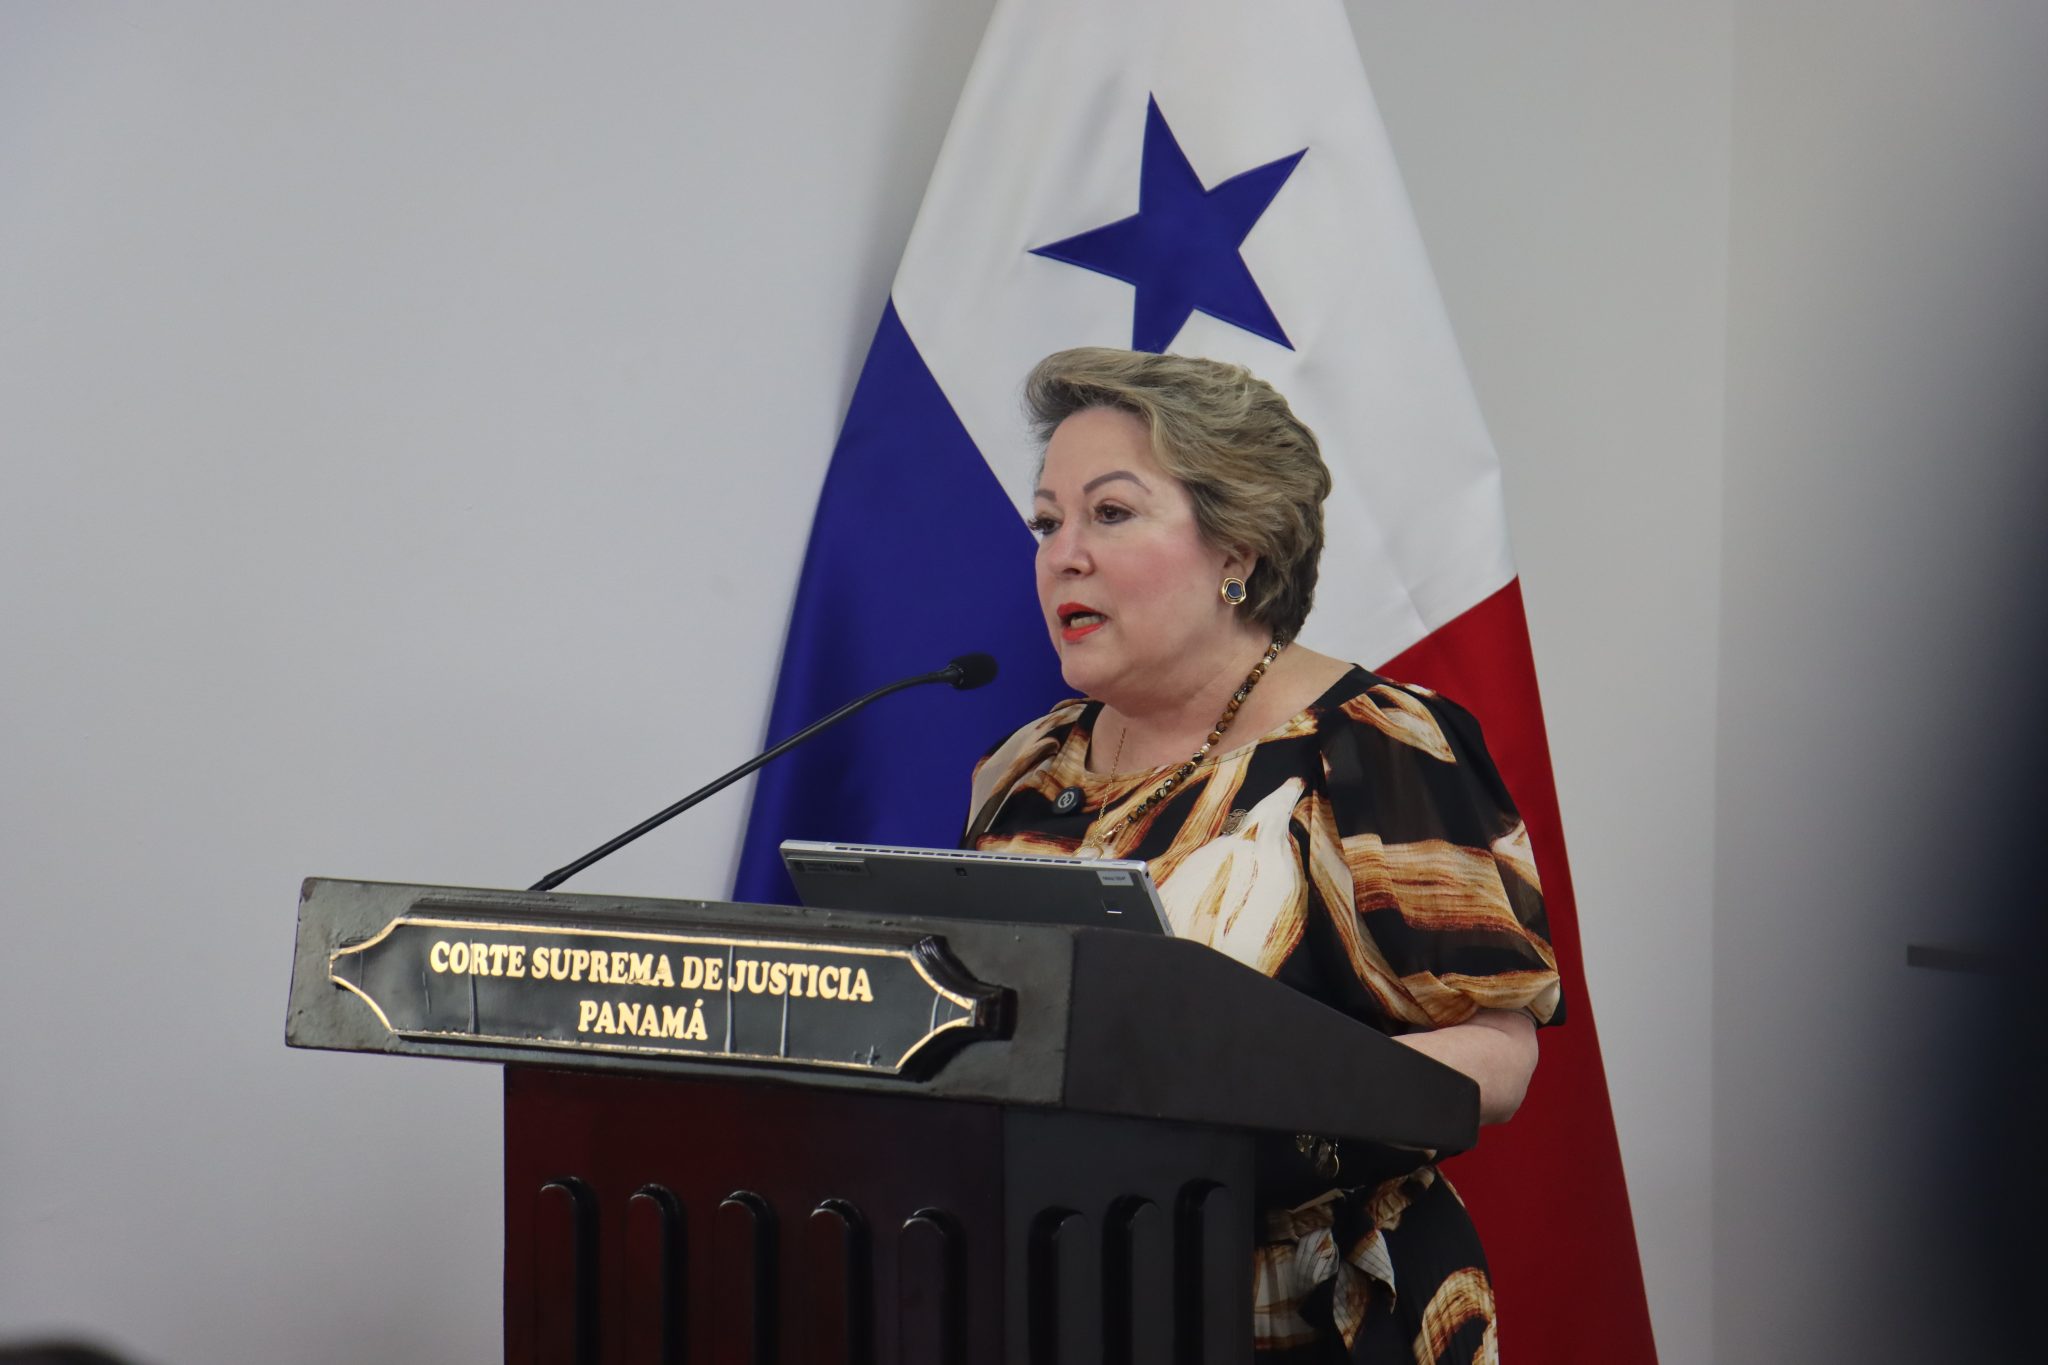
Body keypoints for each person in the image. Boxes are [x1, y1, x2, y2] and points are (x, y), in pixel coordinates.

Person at [963, 347, 1563, 1363]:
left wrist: (1246, 1102)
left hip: (1314, 1309)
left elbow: (1497, 1057)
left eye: (1110, 513)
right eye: (1046, 522)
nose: (1064, 554)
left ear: (1236, 548)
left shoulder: (1373, 744)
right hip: (1068, 1297)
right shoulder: (1022, 767)